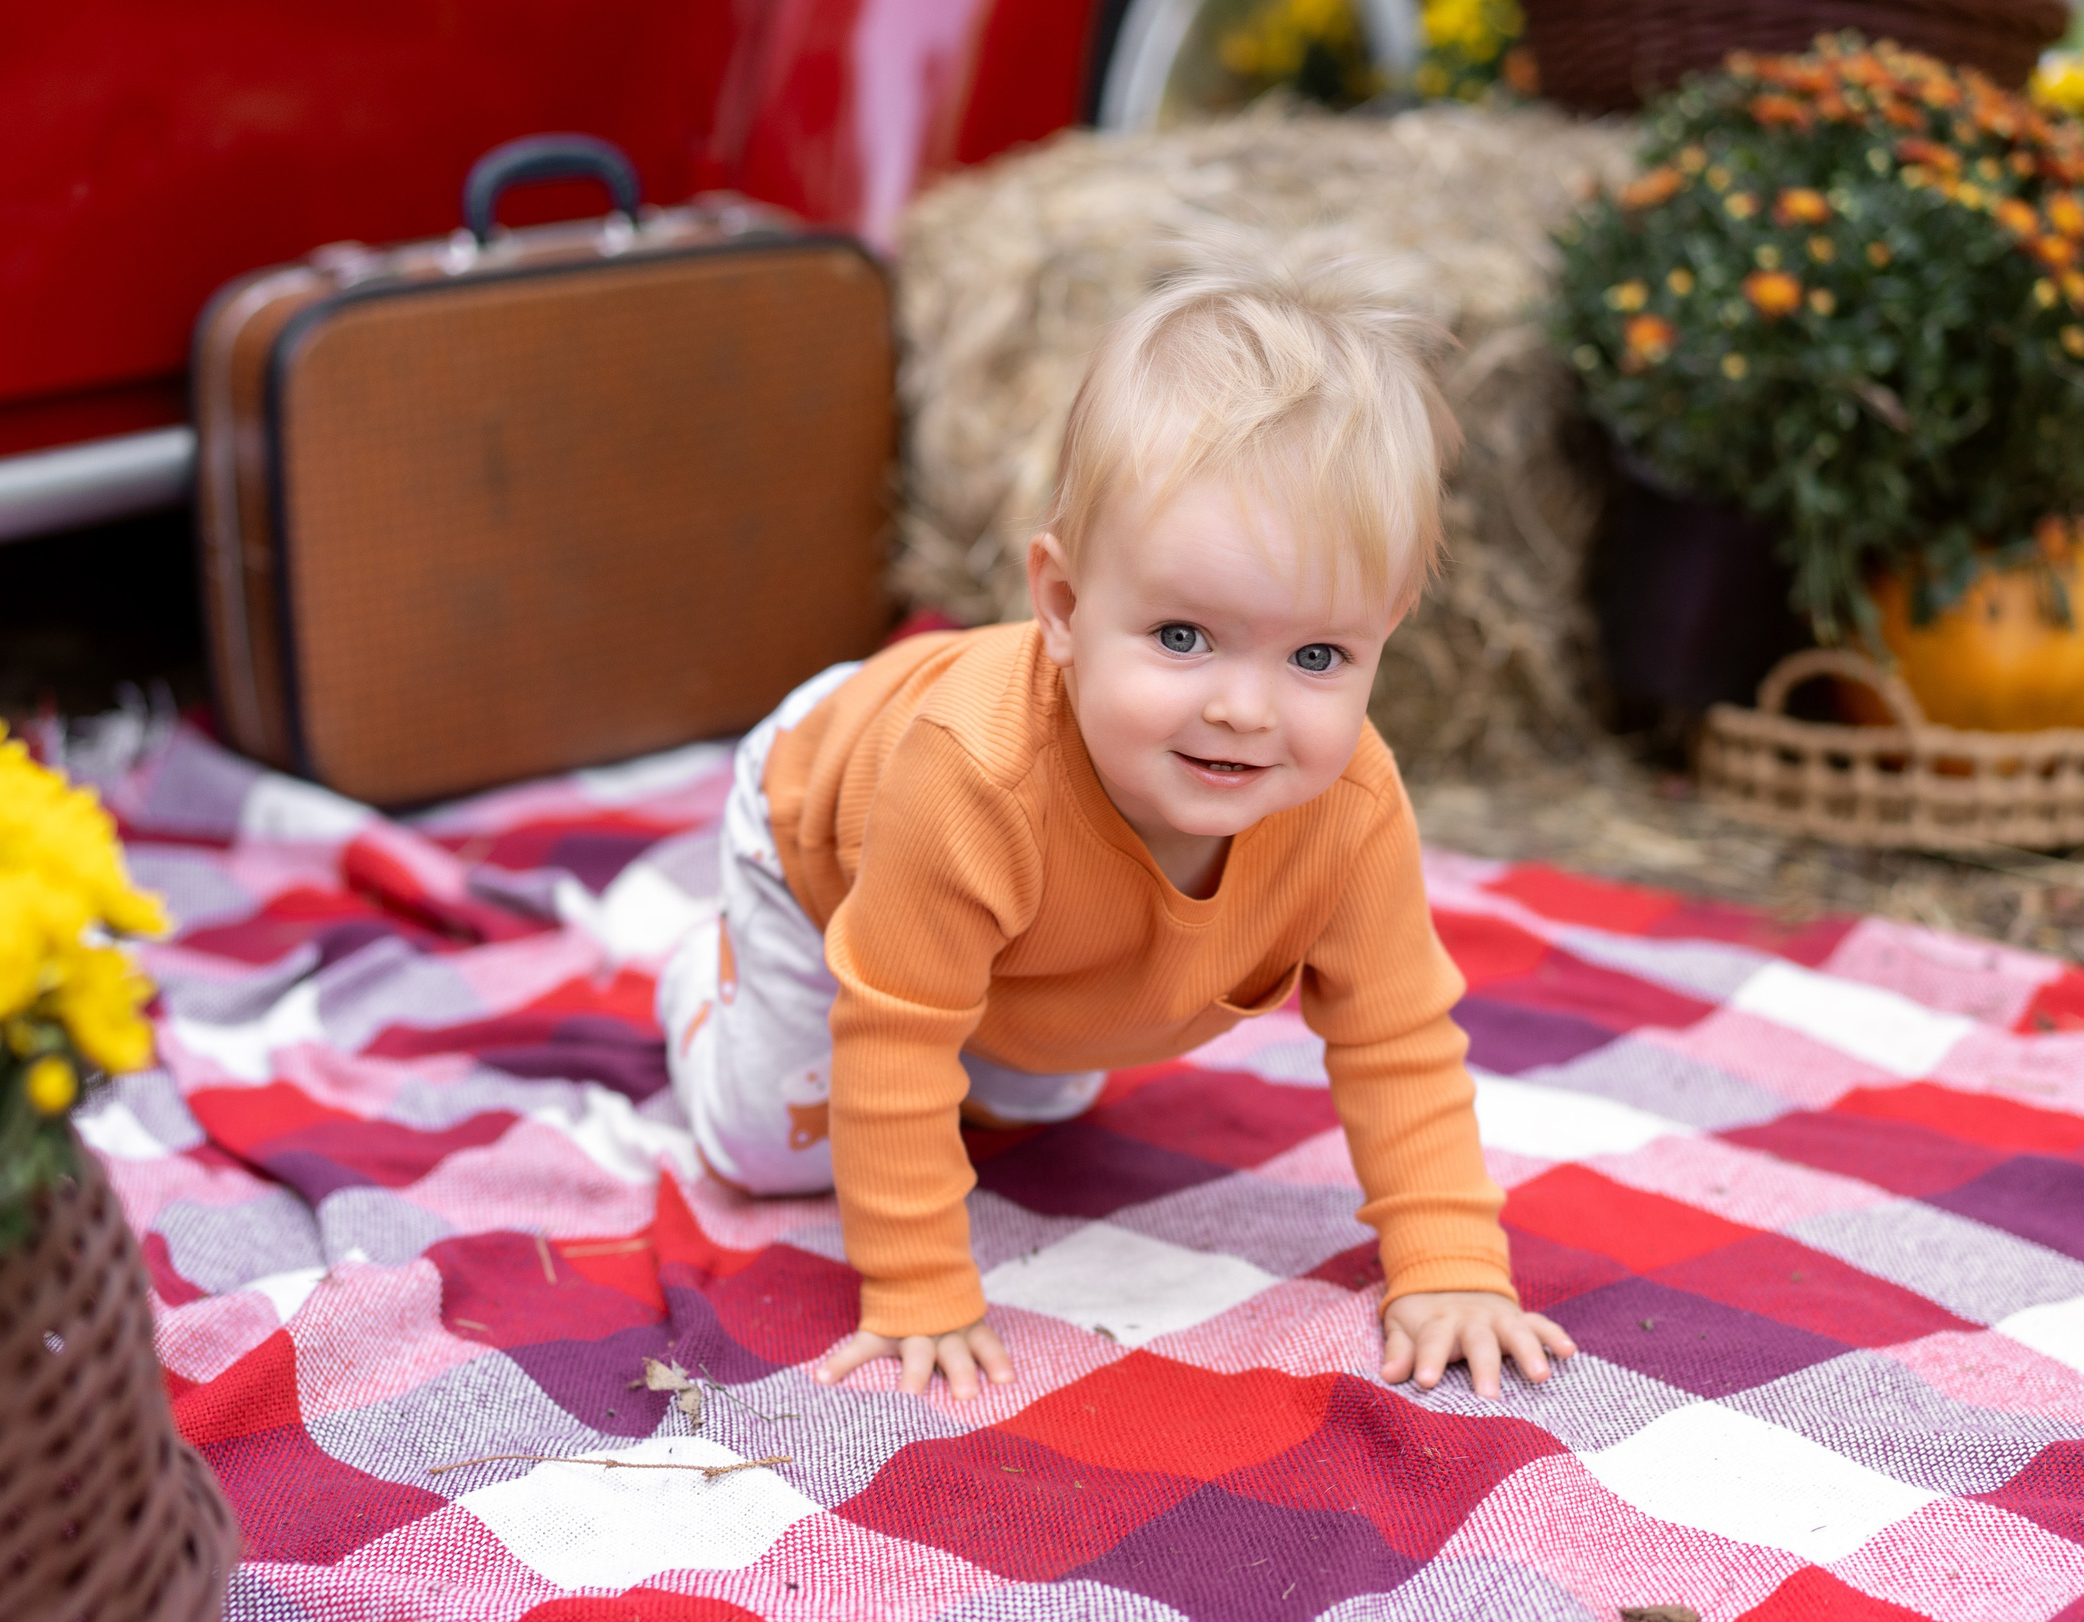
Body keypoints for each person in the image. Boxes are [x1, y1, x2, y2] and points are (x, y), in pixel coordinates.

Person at [655, 256, 1573, 1402]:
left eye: (1317, 657)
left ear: (1385, 633)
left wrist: (1450, 1265)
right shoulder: (975, 780)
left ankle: (992, 998)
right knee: (776, 1151)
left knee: (1044, 1094)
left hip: (1023, 945)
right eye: (1183, 637)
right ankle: (703, 974)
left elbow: (1395, 1036)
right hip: (822, 836)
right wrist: (922, 1292)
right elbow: (894, 1033)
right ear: (1065, 607)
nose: (1244, 707)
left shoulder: (1349, 806)